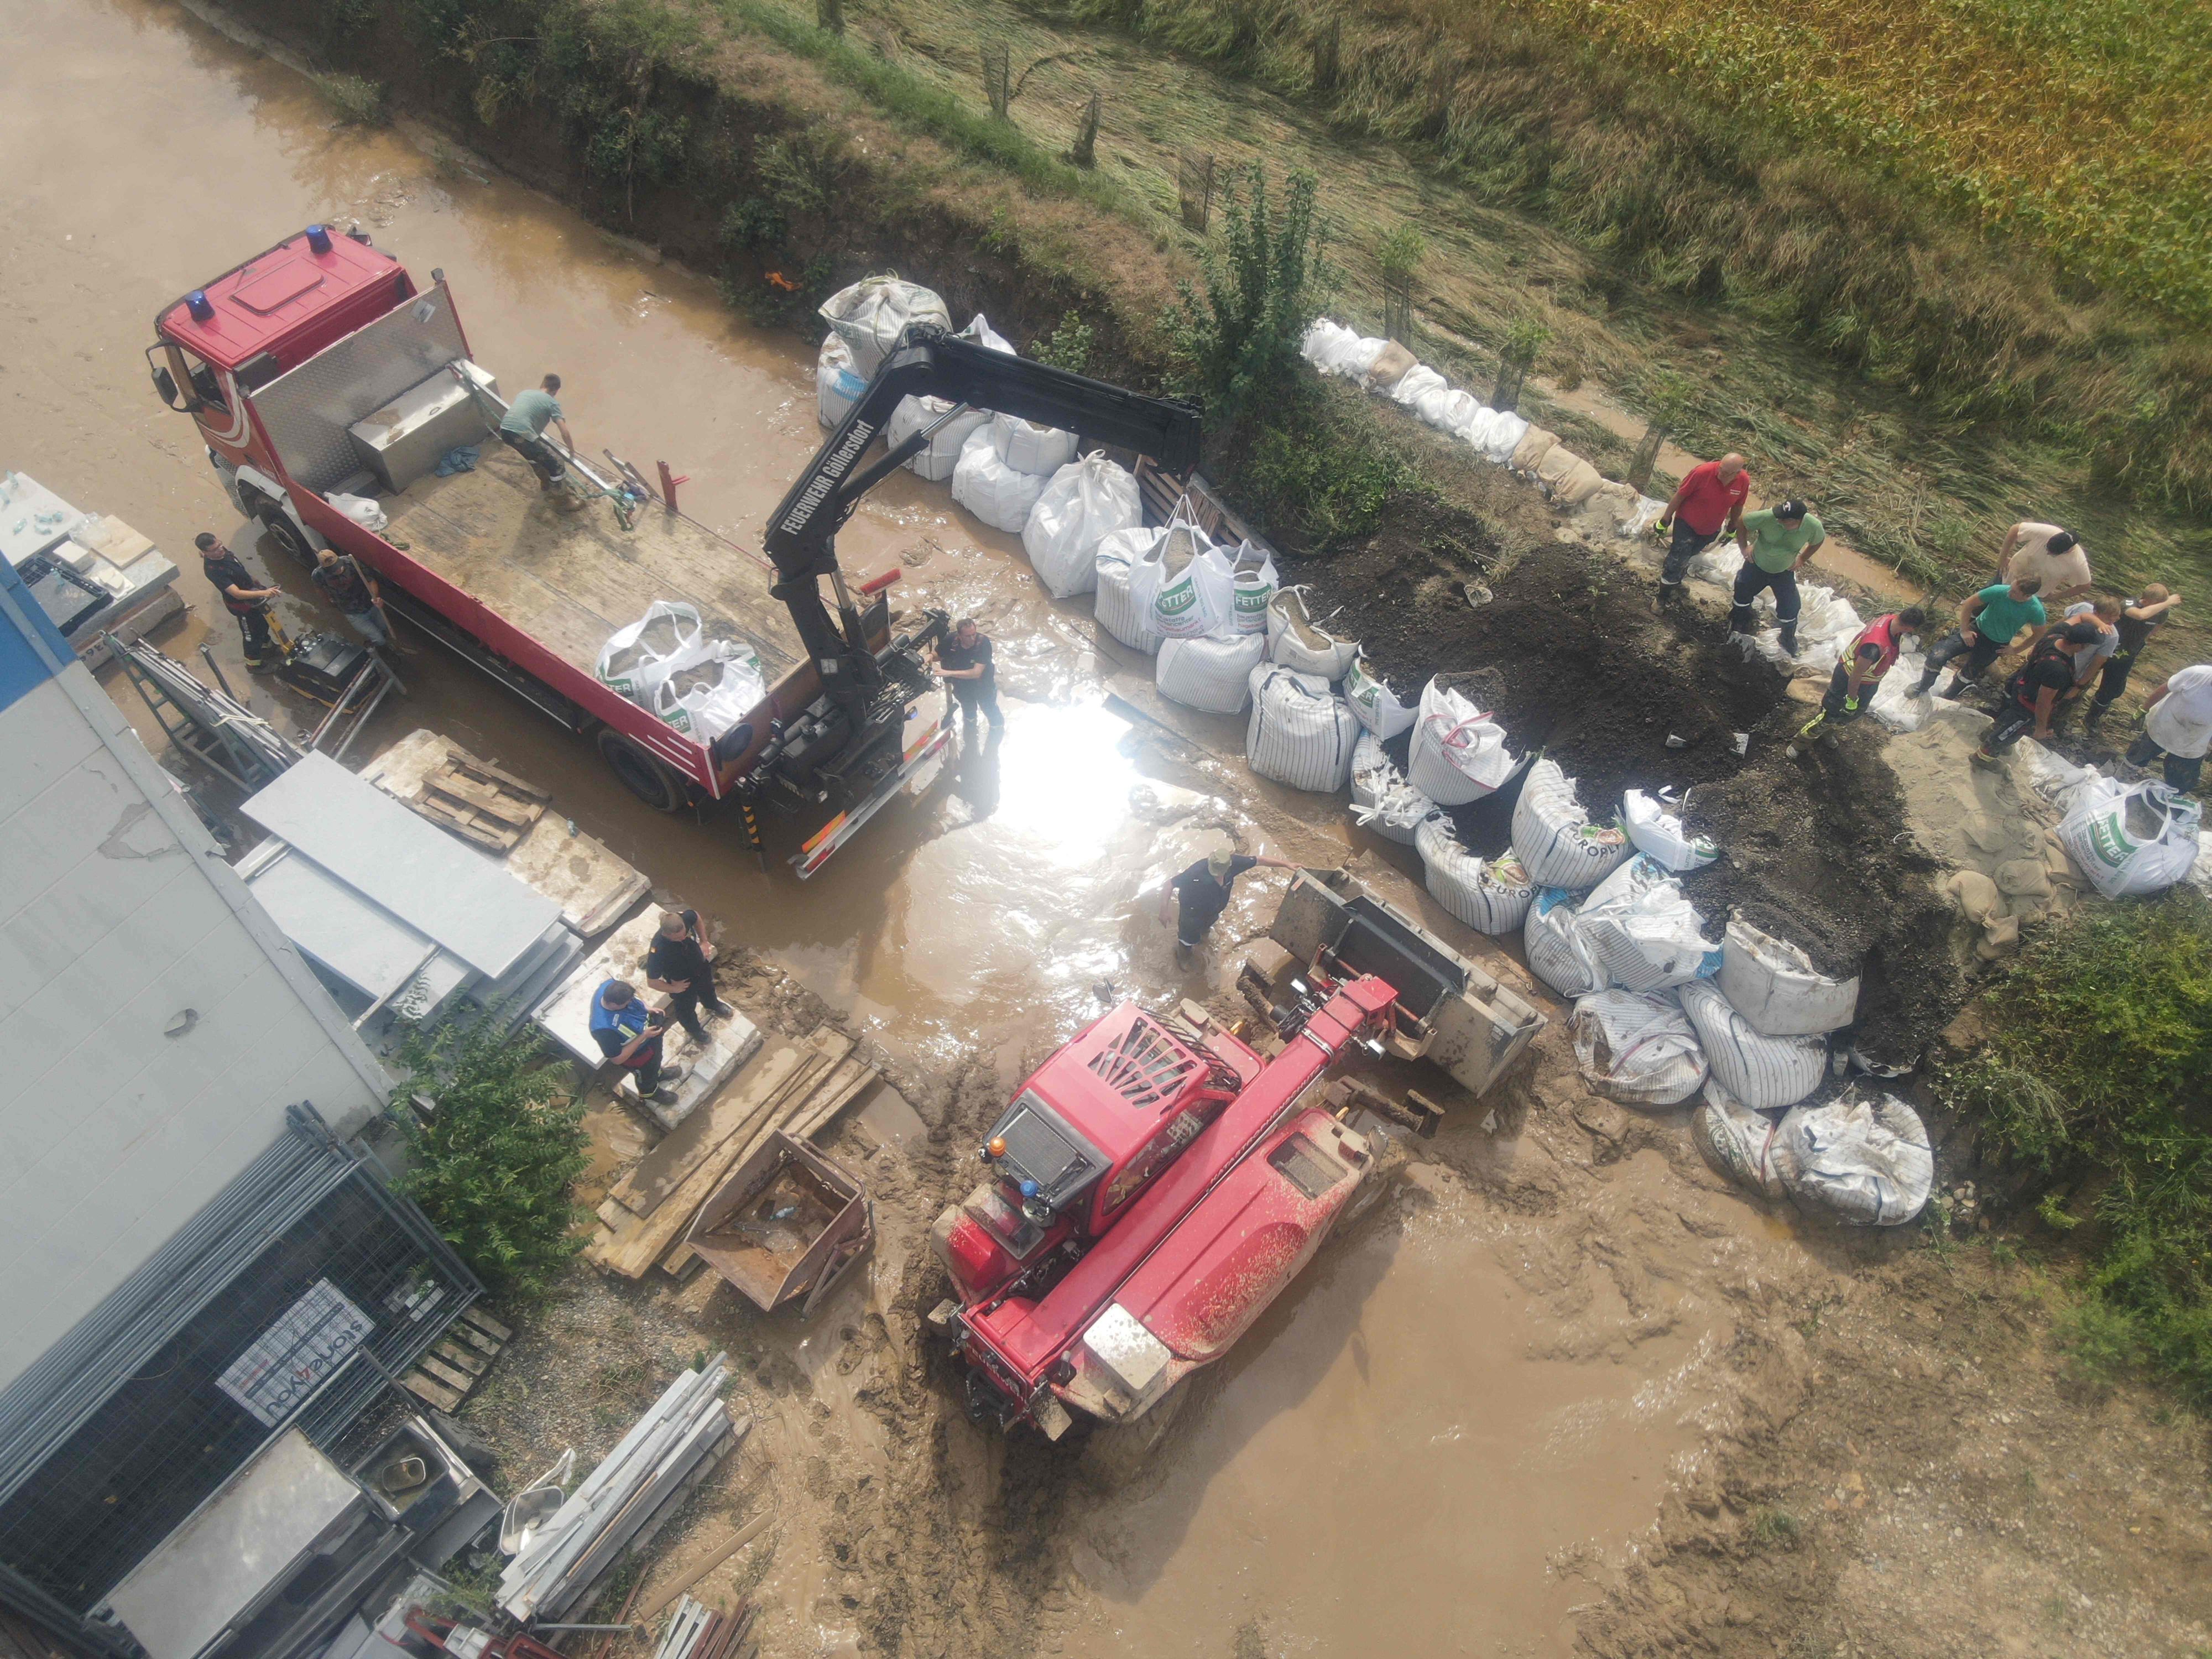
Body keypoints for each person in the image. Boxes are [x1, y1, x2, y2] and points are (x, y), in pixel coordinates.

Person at [1974, 621, 2105, 766]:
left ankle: (1989, 733)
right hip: (2029, 704)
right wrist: (2041, 728)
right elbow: (2043, 702)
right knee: (2011, 731)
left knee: (2009, 716)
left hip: (2022, 686)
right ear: (2080, 645)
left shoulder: (2054, 637)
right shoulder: (2058, 670)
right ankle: (1984, 756)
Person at [1157, 845, 1297, 966]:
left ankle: (1203, 934)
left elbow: (1259, 860)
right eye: (1213, 871)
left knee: (1206, 929)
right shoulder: (1196, 871)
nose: (1216, 875)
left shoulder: (1234, 863)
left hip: (1213, 911)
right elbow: (1170, 884)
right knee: (1188, 939)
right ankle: (1183, 957)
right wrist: (1164, 911)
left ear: (1228, 866)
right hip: (1192, 913)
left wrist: (1286, 864)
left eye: (1219, 873)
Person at [1912, 573, 2047, 698]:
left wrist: (2016, 650)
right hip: (1977, 630)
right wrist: (1964, 630)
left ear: (2027, 596)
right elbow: (1969, 604)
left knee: (1969, 674)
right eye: (2012, 587)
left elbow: (2039, 634)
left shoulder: (2035, 610)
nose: (2009, 592)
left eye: (2014, 592)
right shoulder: (1999, 591)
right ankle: (1922, 686)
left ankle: (1947, 696)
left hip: (1997, 643)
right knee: (1937, 656)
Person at [1727, 498, 1824, 655]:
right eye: (1779, 516)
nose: (1778, 520)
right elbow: (1742, 522)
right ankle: (1740, 620)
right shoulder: (1768, 517)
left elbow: (1818, 541)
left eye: (1784, 520)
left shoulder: (1813, 527)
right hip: (1756, 565)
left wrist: (1802, 558)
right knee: (1742, 591)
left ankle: (1787, 637)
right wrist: (1744, 548)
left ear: (1797, 521)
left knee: (1790, 606)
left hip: (1783, 572)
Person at [1812, 606, 1930, 731]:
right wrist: (1852, 699)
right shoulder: (1874, 647)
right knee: (1833, 709)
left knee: (1853, 712)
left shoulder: (1889, 620)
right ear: (1909, 628)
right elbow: (1856, 674)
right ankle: (1803, 741)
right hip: (1849, 678)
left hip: (1866, 680)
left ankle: (1828, 732)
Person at [1655, 452, 1751, 599]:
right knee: (1678, 558)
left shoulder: (1743, 481)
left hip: (1710, 530)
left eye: (1725, 473)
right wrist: (1665, 519)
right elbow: (1680, 495)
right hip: (1686, 524)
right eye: (1720, 469)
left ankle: (1673, 580)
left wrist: (1732, 528)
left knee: (1686, 556)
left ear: (1736, 473)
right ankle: (1661, 598)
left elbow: (1738, 506)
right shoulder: (1702, 473)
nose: (1720, 474)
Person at [2088, 584, 2183, 732]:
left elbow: (2157, 627)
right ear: (2145, 600)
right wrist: (2168, 602)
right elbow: (2141, 615)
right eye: (2159, 605)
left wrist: (2144, 640)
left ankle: (2092, 716)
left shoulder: (2162, 612)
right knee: (2085, 676)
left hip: (2127, 655)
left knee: (2114, 690)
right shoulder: (2129, 604)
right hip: (2106, 649)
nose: (2162, 608)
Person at [643, 909, 733, 1042]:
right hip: (682, 982)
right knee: (686, 1009)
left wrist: (704, 941)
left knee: (708, 989)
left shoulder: (684, 918)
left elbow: (696, 916)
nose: (683, 939)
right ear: (666, 934)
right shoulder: (658, 950)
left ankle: (712, 1004)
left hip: (700, 968)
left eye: (684, 934)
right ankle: (694, 1030)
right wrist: (674, 988)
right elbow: (652, 982)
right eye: (678, 938)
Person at [196, 531, 281, 670]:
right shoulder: (214, 571)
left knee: (262, 625)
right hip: (242, 607)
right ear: (206, 553)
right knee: (251, 636)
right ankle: (253, 665)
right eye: (215, 550)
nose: (220, 550)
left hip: (253, 597)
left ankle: (267, 647)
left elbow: (240, 568)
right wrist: (265, 593)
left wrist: (255, 583)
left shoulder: (224, 553)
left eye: (220, 545)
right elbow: (237, 594)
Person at [589, 979, 683, 1104]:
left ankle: (658, 1073)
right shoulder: (604, 1030)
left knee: (655, 1061)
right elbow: (617, 1059)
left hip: (649, 1040)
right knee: (646, 1074)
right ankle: (649, 1092)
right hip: (637, 1055)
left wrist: (648, 1009)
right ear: (613, 1005)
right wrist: (643, 1036)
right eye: (627, 1003)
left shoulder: (611, 986)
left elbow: (635, 1000)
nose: (630, 1003)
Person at [2126, 664, 2212, 795]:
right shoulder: (2197, 674)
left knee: (2181, 783)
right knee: (2132, 762)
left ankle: (2165, 800)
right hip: (2164, 724)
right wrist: (2143, 710)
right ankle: (2124, 785)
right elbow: (2165, 689)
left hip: (2194, 741)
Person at [310, 547, 413, 654]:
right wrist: (329, 603)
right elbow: (320, 590)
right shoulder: (318, 575)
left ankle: (387, 644)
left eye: (338, 566)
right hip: (353, 614)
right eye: (333, 570)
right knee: (379, 639)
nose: (338, 570)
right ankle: (378, 649)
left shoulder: (351, 562)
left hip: (370, 604)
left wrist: (375, 597)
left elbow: (371, 580)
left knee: (384, 628)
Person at [499, 373, 575, 490]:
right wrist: (571, 450)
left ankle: (546, 484)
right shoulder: (552, 403)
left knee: (532, 456)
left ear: (543, 384)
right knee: (557, 464)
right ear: (556, 391)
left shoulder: (524, 393)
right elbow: (565, 433)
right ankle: (563, 502)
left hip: (505, 431)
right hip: (522, 435)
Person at [1994, 521, 2093, 604]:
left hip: (2030, 597)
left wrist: (2055, 597)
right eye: (2047, 548)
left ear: (2066, 551)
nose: (2048, 553)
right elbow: (2015, 529)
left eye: (2052, 554)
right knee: (1984, 601)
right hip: (2007, 576)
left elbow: (2085, 586)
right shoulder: (2047, 532)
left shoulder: (2078, 562)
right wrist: (2002, 558)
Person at [936, 617, 1003, 735]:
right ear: (959, 636)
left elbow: (976, 673)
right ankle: (971, 731)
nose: (972, 638)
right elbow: (938, 653)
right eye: (968, 636)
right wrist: (927, 658)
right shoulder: (952, 640)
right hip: (963, 687)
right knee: (968, 711)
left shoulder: (983, 643)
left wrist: (949, 673)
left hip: (983, 687)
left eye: (974, 634)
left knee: (990, 710)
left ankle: (997, 731)